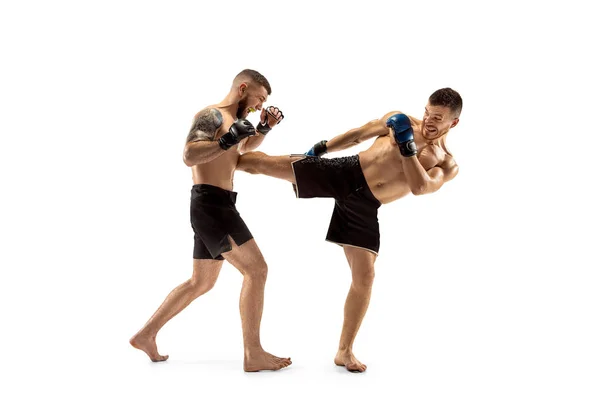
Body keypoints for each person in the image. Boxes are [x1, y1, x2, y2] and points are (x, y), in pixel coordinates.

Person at [237, 88, 462, 372]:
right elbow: (359, 134)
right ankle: (217, 163)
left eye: (438, 118)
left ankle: (344, 351)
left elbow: (420, 187)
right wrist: (322, 148)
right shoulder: (400, 118)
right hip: (346, 172)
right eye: (428, 112)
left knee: (365, 277)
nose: (428, 120)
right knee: (262, 164)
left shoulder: (447, 163)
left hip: (366, 206)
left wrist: (407, 148)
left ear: (453, 123)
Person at [130, 69, 291, 372]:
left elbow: (242, 148)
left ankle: (146, 334)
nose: (259, 106)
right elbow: (190, 154)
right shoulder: (212, 115)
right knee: (257, 271)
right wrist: (228, 139)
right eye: (259, 99)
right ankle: (253, 353)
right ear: (242, 88)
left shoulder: (234, 123)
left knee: (200, 282)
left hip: (215, 204)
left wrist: (263, 129)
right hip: (212, 205)